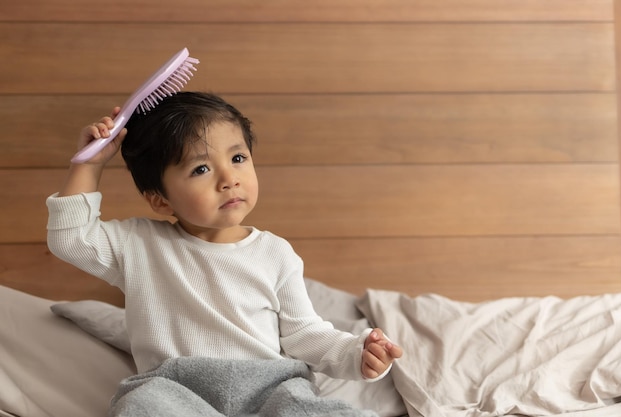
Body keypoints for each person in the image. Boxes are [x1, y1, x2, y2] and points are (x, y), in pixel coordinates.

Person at [46, 92, 403, 417]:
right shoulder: (138, 244)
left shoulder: (274, 253)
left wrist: (357, 354)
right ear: (160, 199)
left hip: (269, 387)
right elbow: (72, 238)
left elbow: (305, 333)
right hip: (177, 388)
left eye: (237, 157)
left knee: (310, 409)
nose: (229, 178)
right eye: (200, 169)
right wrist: (88, 165)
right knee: (139, 405)